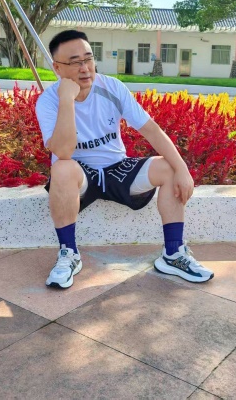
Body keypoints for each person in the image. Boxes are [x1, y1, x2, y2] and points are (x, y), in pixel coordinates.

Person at [35, 30, 214, 289]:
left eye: (88, 58)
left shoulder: (112, 87)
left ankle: (173, 253)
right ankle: (69, 254)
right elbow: (63, 151)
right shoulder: (48, 101)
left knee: (170, 167)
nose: (85, 68)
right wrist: (66, 99)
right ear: (57, 68)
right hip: (80, 175)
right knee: (61, 168)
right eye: (75, 62)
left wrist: (183, 169)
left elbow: (151, 129)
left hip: (117, 168)